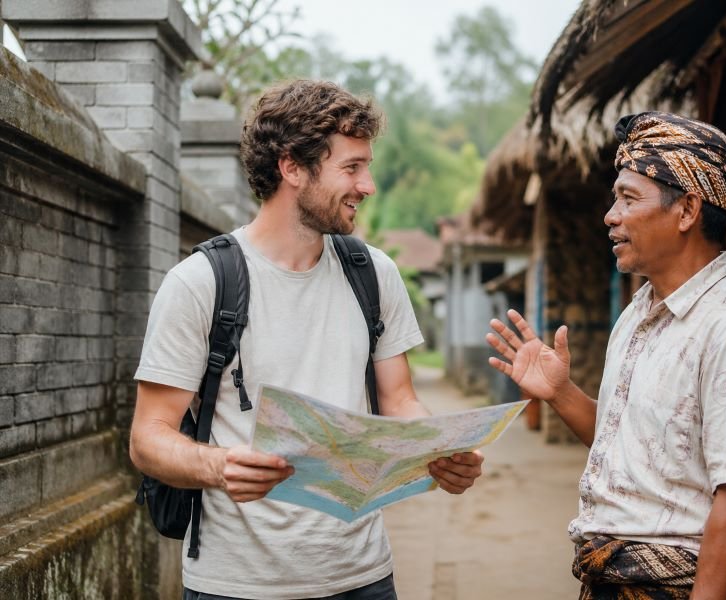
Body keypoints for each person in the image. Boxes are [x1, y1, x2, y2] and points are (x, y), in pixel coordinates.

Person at [129, 79, 484, 600]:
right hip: (236, 584)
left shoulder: (373, 274)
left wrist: (437, 449)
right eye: (352, 167)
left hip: (362, 577)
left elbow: (400, 399)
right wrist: (219, 466)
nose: (368, 185)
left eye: (367, 166)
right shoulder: (201, 283)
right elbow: (148, 437)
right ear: (292, 167)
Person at [487, 112, 726, 599]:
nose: (611, 216)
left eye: (629, 198)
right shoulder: (638, 314)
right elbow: (631, 450)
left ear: (688, 210)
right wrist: (562, 394)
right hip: (613, 577)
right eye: (615, 199)